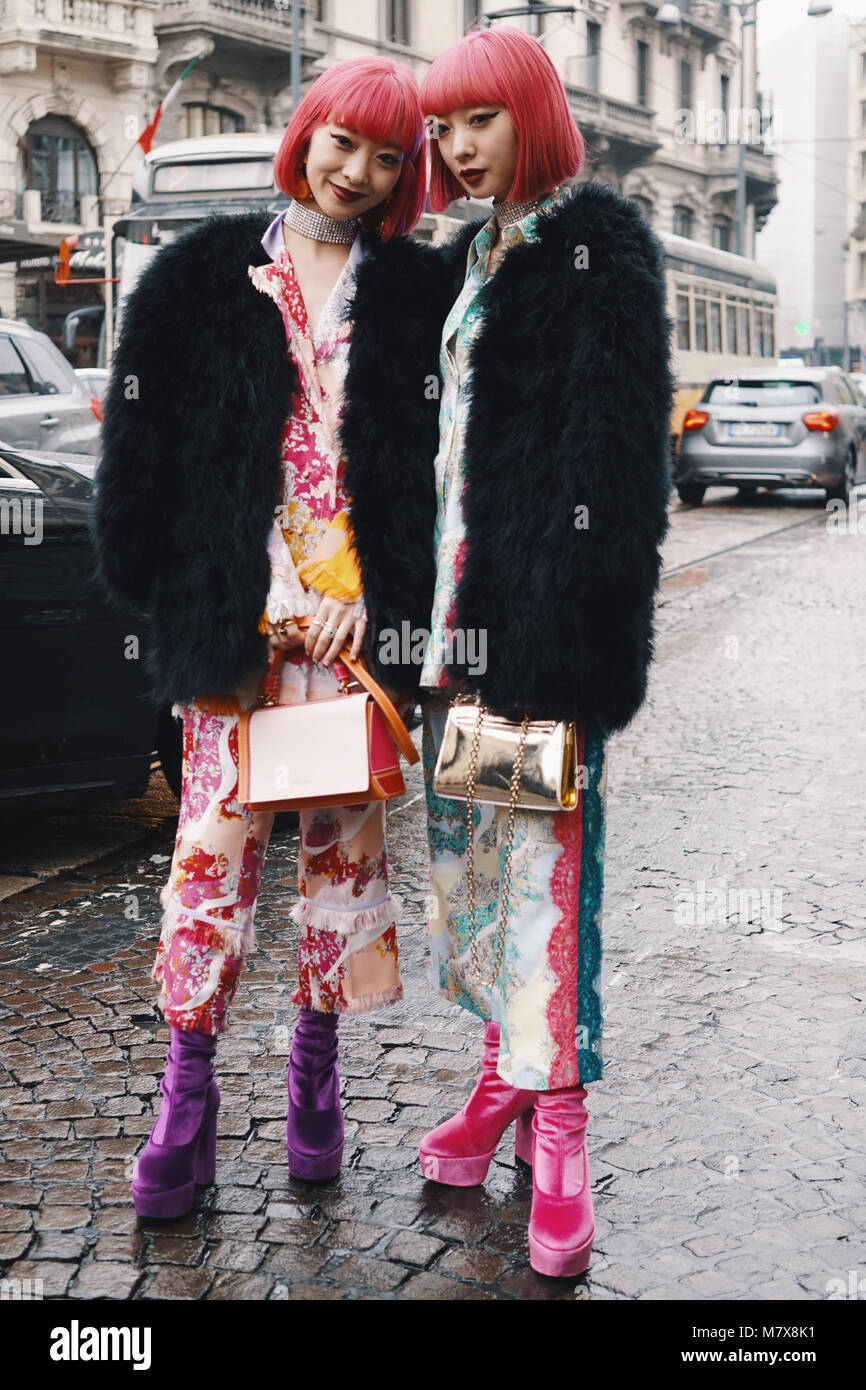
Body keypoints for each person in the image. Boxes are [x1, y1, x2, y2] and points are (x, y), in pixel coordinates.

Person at [91, 57, 447, 1218]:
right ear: (307, 133)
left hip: (349, 648)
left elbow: (437, 480)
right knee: (209, 859)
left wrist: (385, 604)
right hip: (236, 634)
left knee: (340, 867)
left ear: (406, 173)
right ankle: (182, 1102)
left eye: (387, 156)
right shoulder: (198, 274)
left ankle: (314, 1084)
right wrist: (213, 588)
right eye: (344, 140)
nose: (356, 171)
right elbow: (143, 464)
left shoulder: (415, 293)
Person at [412, 28, 675, 1278]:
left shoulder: (597, 241)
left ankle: (557, 1118)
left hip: (540, 634)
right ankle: (499, 1078)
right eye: (440, 128)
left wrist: (564, 636)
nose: (457, 148)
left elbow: (615, 463)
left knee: (549, 876)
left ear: (528, 112)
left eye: (477, 119)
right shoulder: (476, 253)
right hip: (458, 629)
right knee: (472, 868)